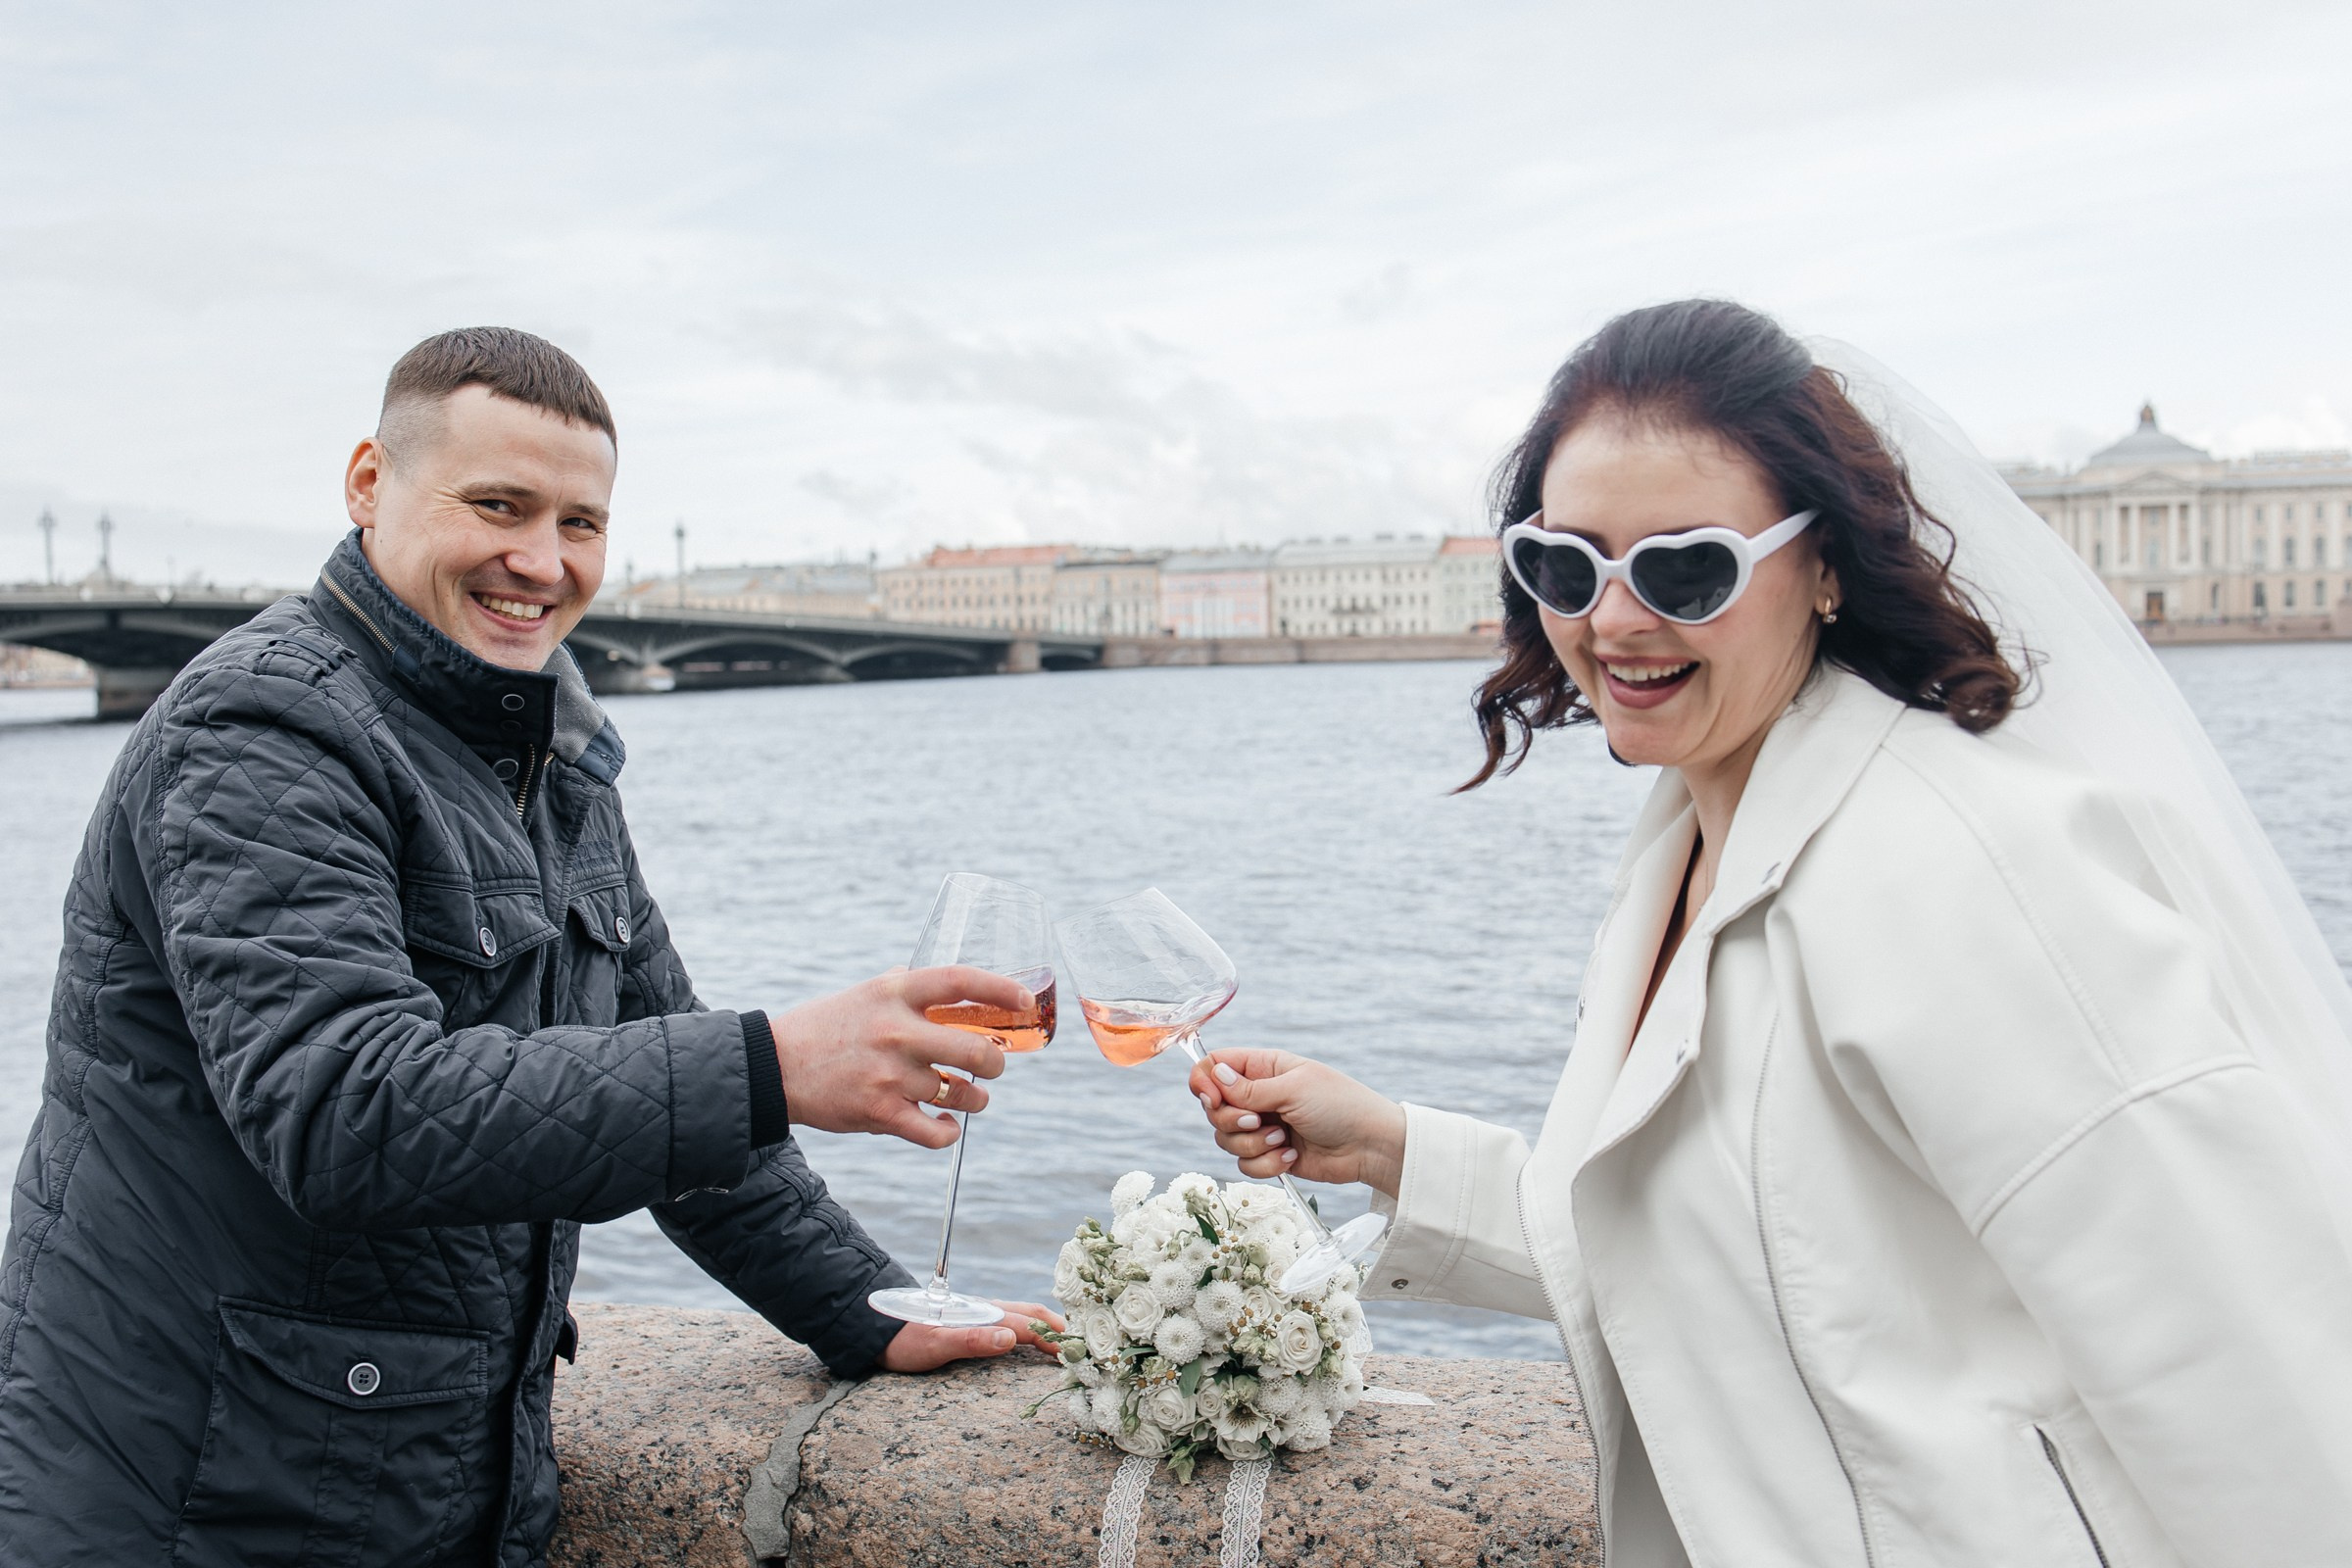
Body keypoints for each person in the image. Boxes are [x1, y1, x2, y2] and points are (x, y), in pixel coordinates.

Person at [1193, 300, 2352, 1565]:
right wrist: (1394, 1149)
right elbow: (1742, 1255)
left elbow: (2264, 1388)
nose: (1616, 623)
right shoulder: (1688, 840)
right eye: (1567, 567)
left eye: (1689, 567)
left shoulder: (1966, 864)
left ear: (1830, 564)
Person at [0, 326, 1057, 1567]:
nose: (541, 561)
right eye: (498, 505)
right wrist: (772, 1060)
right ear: (367, 483)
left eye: (581, 523)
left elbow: (674, 1099)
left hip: (403, 1474)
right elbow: (345, 1110)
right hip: (192, 1489)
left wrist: (863, 1309)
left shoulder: (554, 760)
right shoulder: (260, 727)